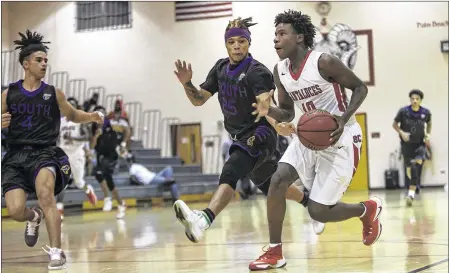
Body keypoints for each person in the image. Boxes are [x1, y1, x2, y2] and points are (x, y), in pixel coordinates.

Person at [248, 11, 382, 270]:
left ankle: (367, 209)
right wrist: (269, 110)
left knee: (318, 211)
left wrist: (343, 118)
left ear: (299, 37)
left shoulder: (324, 62)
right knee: (277, 180)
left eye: (282, 33)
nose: (276, 40)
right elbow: (287, 111)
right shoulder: (280, 70)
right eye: (274, 35)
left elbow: (360, 88)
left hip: (340, 136)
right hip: (307, 136)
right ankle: (274, 251)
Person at [172, 17, 319, 243]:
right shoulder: (220, 68)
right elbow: (199, 100)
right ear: (226, 44)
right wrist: (187, 84)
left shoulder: (256, 72)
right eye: (232, 42)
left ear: (248, 43)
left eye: (242, 41)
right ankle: (313, 205)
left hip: (261, 133)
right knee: (271, 185)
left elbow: (266, 106)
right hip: (239, 136)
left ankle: (203, 219)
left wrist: (277, 125)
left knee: (231, 169)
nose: (237, 45)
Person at [1, 30, 103, 270]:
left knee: (46, 195)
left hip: (44, 153)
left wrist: (91, 116)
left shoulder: (54, 93)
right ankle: (33, 217)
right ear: (26, 64)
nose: (44, 63)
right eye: (39, 60)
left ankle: (57, 251)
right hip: (15, 156)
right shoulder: (9, 94)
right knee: (15, 210)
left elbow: (72, 114)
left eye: (46, 60)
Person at [56, 97, 98, 220]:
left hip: (76, 155)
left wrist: (74, 140)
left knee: (79, 183)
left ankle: (88, 190)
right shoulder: (60, 121)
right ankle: (59, 209)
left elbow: (87, 137)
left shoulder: (80, 121)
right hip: (63, 153)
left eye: (73, 105)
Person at [393, 89, 431, 206]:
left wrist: (428, 134)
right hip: (406, 146)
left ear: (420, 100)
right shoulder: (403, 111)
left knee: (415, 168)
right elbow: (394, 124)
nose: (414, 101)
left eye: (417, 99)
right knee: (410, 170)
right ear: (410, 100)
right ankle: (413, 186)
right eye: (412, 99)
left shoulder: (426, 112)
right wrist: (402, 133)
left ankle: (411, 194)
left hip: (420, 145)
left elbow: (429, 123)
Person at [91, 109, 127, 218]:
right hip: (101, 155)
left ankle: (108, 199)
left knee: (105, 173)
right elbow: (92, 146)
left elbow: (126, 130)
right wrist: (96, 136)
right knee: (100, 175)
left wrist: (123, 144)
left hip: (111, 155)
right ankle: (121, 204)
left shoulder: (110, 124)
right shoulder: (94, 127)